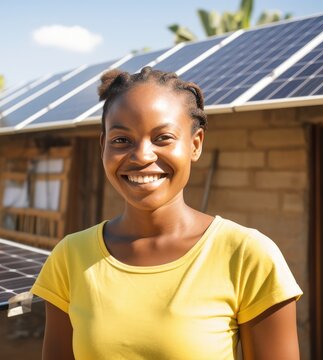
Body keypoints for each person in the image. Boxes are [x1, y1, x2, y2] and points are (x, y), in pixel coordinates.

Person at [30, 66, 303, 359]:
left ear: (195, 144)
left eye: (163, 138)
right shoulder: (70, 256)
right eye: (121, 140)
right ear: (103, 146)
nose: (142, 156)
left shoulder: (247, 256)